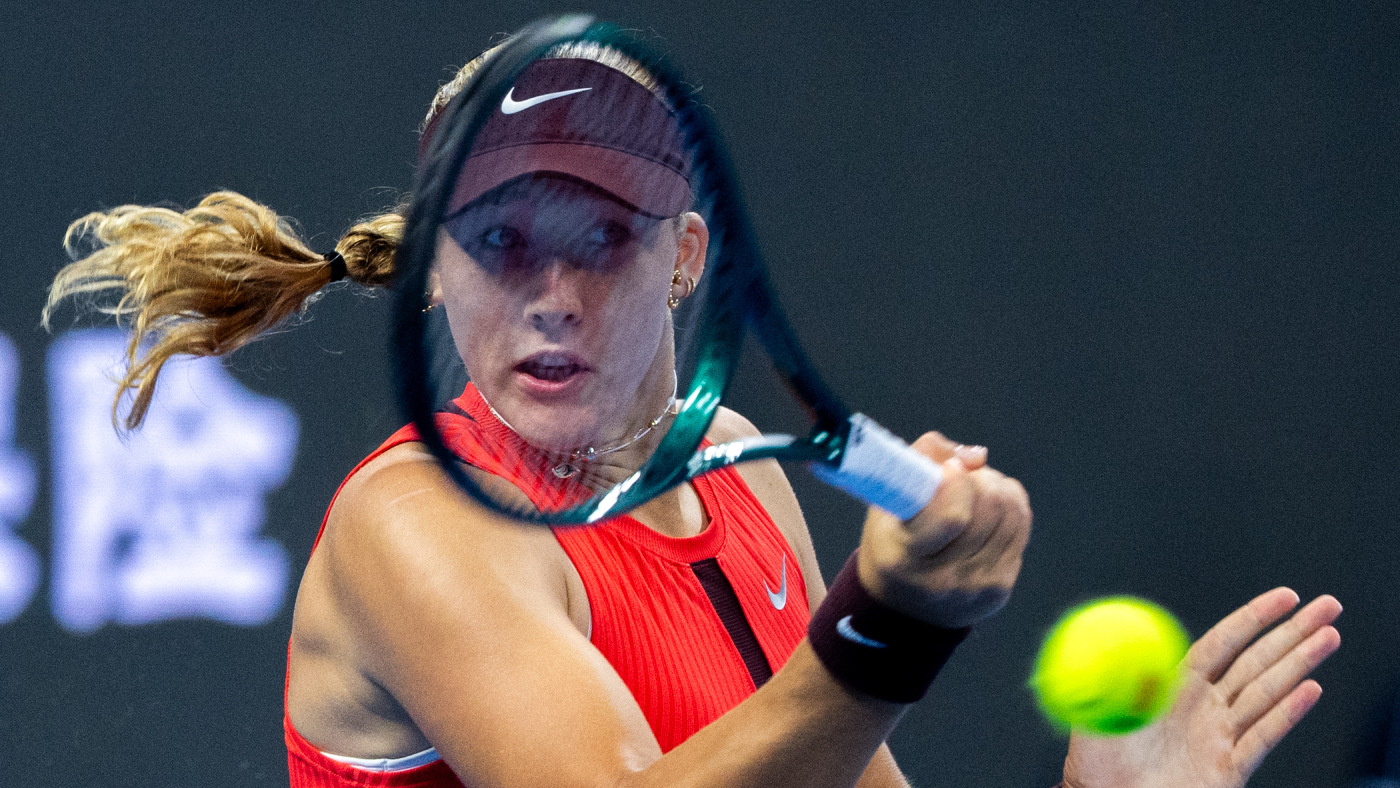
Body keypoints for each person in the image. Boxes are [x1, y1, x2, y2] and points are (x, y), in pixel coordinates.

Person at [45, 33, 1341, 788]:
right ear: (435, 271)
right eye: (497, 242)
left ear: (684, 258)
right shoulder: (420, 525)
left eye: (602, 239)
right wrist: (886, 630)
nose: (550, 298)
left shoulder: (735, 466)